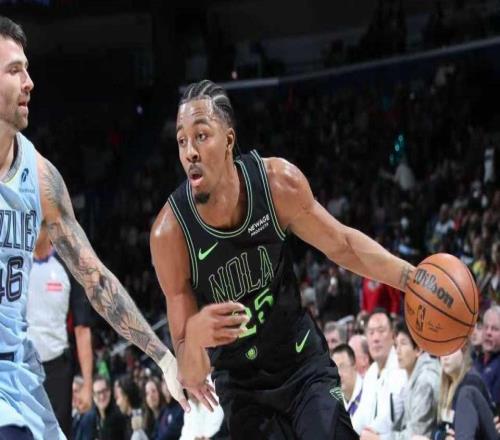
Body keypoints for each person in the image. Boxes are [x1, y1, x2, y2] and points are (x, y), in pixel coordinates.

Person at [150, 79, 416, 438]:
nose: (190, 152)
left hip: (302, 364)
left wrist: (411, 279)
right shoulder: (170, 234)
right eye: (182, 141)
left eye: (201, 136)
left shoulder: (276, 184)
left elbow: (342, 244)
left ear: (229, 140)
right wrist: (194, 336)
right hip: (243, 390)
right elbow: (192, 374)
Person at [0, 16, 211, 440]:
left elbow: (95, 279)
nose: (29, 82)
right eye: (14, 70)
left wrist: (164, 359)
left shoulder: (39, 177)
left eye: (27, 69)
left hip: (20, 379)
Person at [26, 224, 94, 438]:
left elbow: (82, 329)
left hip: (58, 370)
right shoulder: (14, 263)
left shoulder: (68, 265)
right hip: (22, 367)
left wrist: (87, 385)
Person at [352, 310, 407, 438]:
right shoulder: (371, 372)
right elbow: (361, 416)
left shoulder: (401, 367)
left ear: (393, 336)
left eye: (381, 331)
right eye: (371, 333)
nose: (376, 338)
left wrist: (366, 434)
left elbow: (390, 419)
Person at [430, 344, 497, 440]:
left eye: (450, 350)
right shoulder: (446, 385)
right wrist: (444, 436)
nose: (445, 357)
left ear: (464, 350)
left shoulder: (472, 382)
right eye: (442, 352)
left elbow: (469, 430)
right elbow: (435, 429)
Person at [390, 320, 440, 439]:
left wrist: (382, 438)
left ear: (418, 349)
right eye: (396, 345)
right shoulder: (414, 375)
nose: (397, 351)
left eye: (403, 343)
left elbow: (417, 432)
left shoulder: (425, 380)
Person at [77, 375, 128, 440]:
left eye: (104, 391)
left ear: (109, 391)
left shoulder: (119, 416)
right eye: (98, 393)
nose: (102, 396)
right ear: (93, 396)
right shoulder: (90, 418)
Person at [332, 344, 363, 417]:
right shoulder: (335, 402)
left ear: (355, 366)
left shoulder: (369, 393)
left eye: (342, 367)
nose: (339, 374)